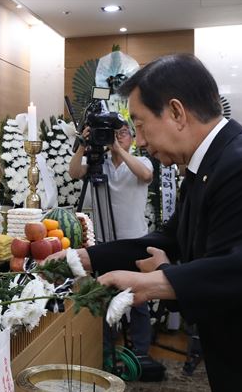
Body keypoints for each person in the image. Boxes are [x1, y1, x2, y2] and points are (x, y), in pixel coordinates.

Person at [46, 53, 242, 391]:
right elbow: (170, 238)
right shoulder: (216, 160)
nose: (141, 141)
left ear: (176, 113)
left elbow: (237, 271)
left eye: (142, 125)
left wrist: (162, 281)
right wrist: (85, 258)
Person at [69, 124, 155, 362]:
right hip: (105, 243)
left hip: (135, 242)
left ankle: (141, 355)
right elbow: (74, 173)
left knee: (138, 299)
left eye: (123, 133)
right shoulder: (99, 165)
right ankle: (105, 353)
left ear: (133, 139)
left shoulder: (141, 162)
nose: (117, 137)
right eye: (113, 133)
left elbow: (146, 176)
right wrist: (83, 146)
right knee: (104, 297)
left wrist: (117, 148)